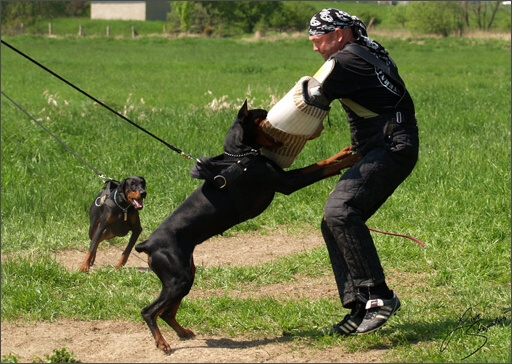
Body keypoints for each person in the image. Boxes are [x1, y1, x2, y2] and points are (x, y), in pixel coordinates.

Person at [304, 8, 419, 335]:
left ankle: (380, 297)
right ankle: (360, 304)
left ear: (339, 35)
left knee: (340, 210)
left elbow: (303, 103)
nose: (315, 48)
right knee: (333, 220)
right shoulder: (369, 48)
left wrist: (264, 137)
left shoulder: (343, 63)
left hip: (391, 146)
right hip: (391, 142)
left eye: (318, 40)